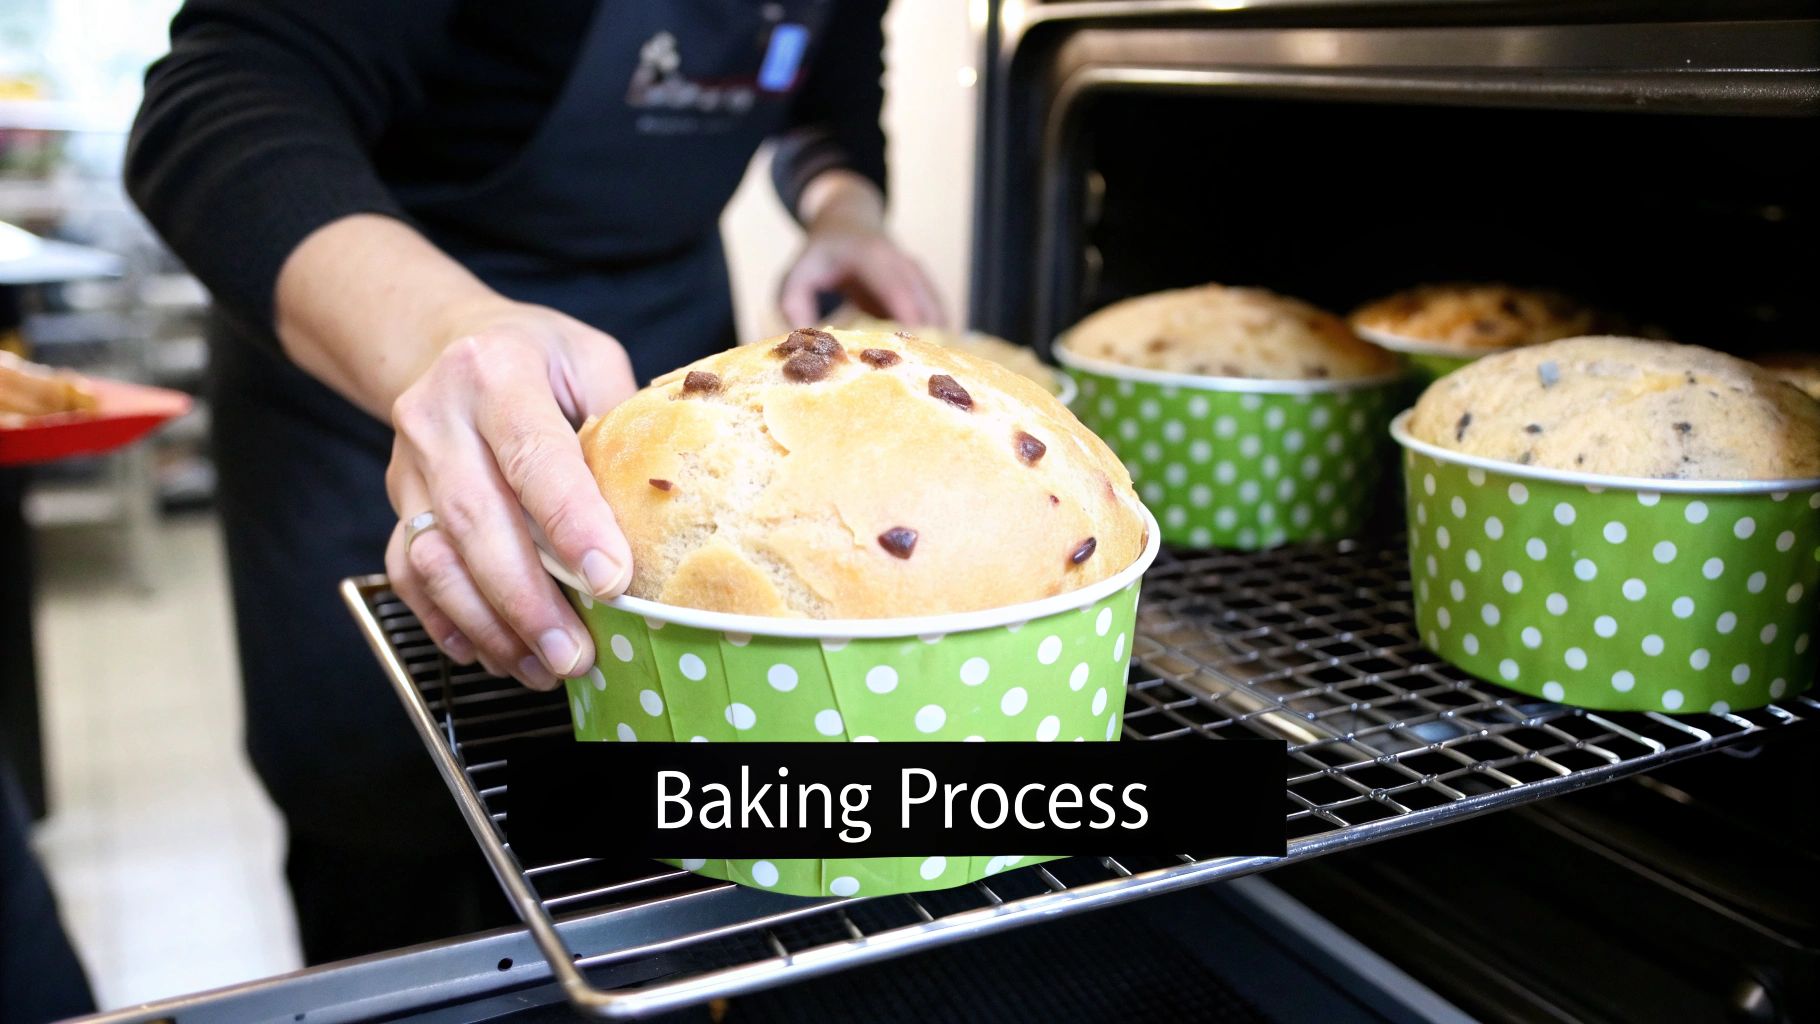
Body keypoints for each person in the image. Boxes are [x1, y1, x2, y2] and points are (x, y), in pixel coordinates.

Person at [126, 0, 944, 964]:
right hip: (386, 362)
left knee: (670, 841)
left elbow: (827, 97)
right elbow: (215, 99)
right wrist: (445, 334)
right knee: (402, 859)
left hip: (659, 348)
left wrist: (845, 212)